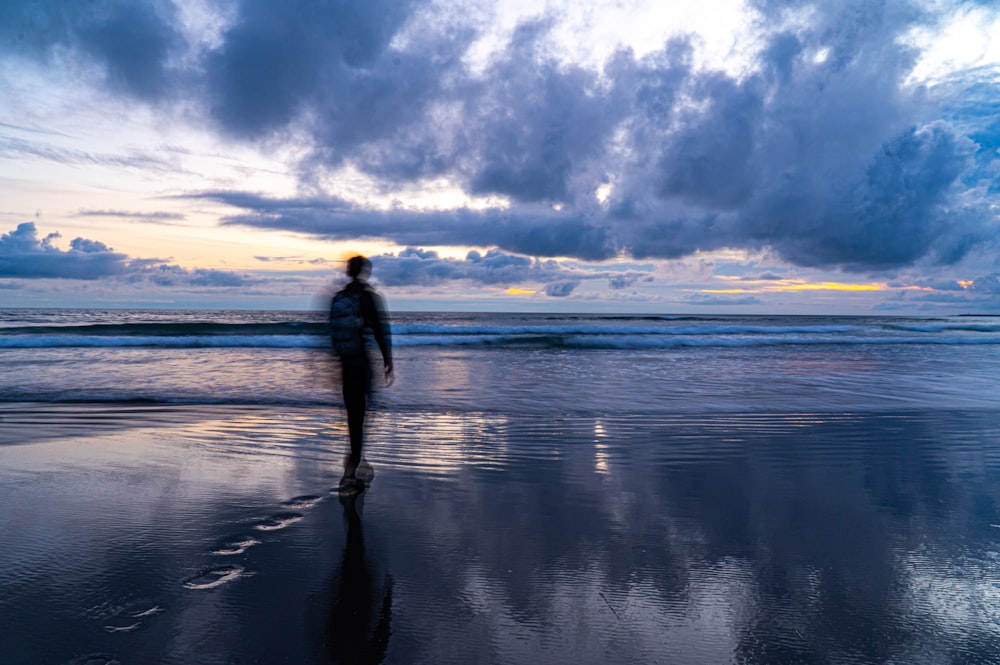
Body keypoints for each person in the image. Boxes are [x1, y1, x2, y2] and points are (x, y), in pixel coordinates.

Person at [329, 255, 393, 487]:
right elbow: (379, 330)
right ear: (365, 272)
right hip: (362, 362)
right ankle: (354, 458)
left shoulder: (339, 298)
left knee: (352, 411)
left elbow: (331, 332)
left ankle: (354, 454)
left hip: (345, 363)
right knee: (363, 410)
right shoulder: (368, 298)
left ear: (348, 272)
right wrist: (388, 360)